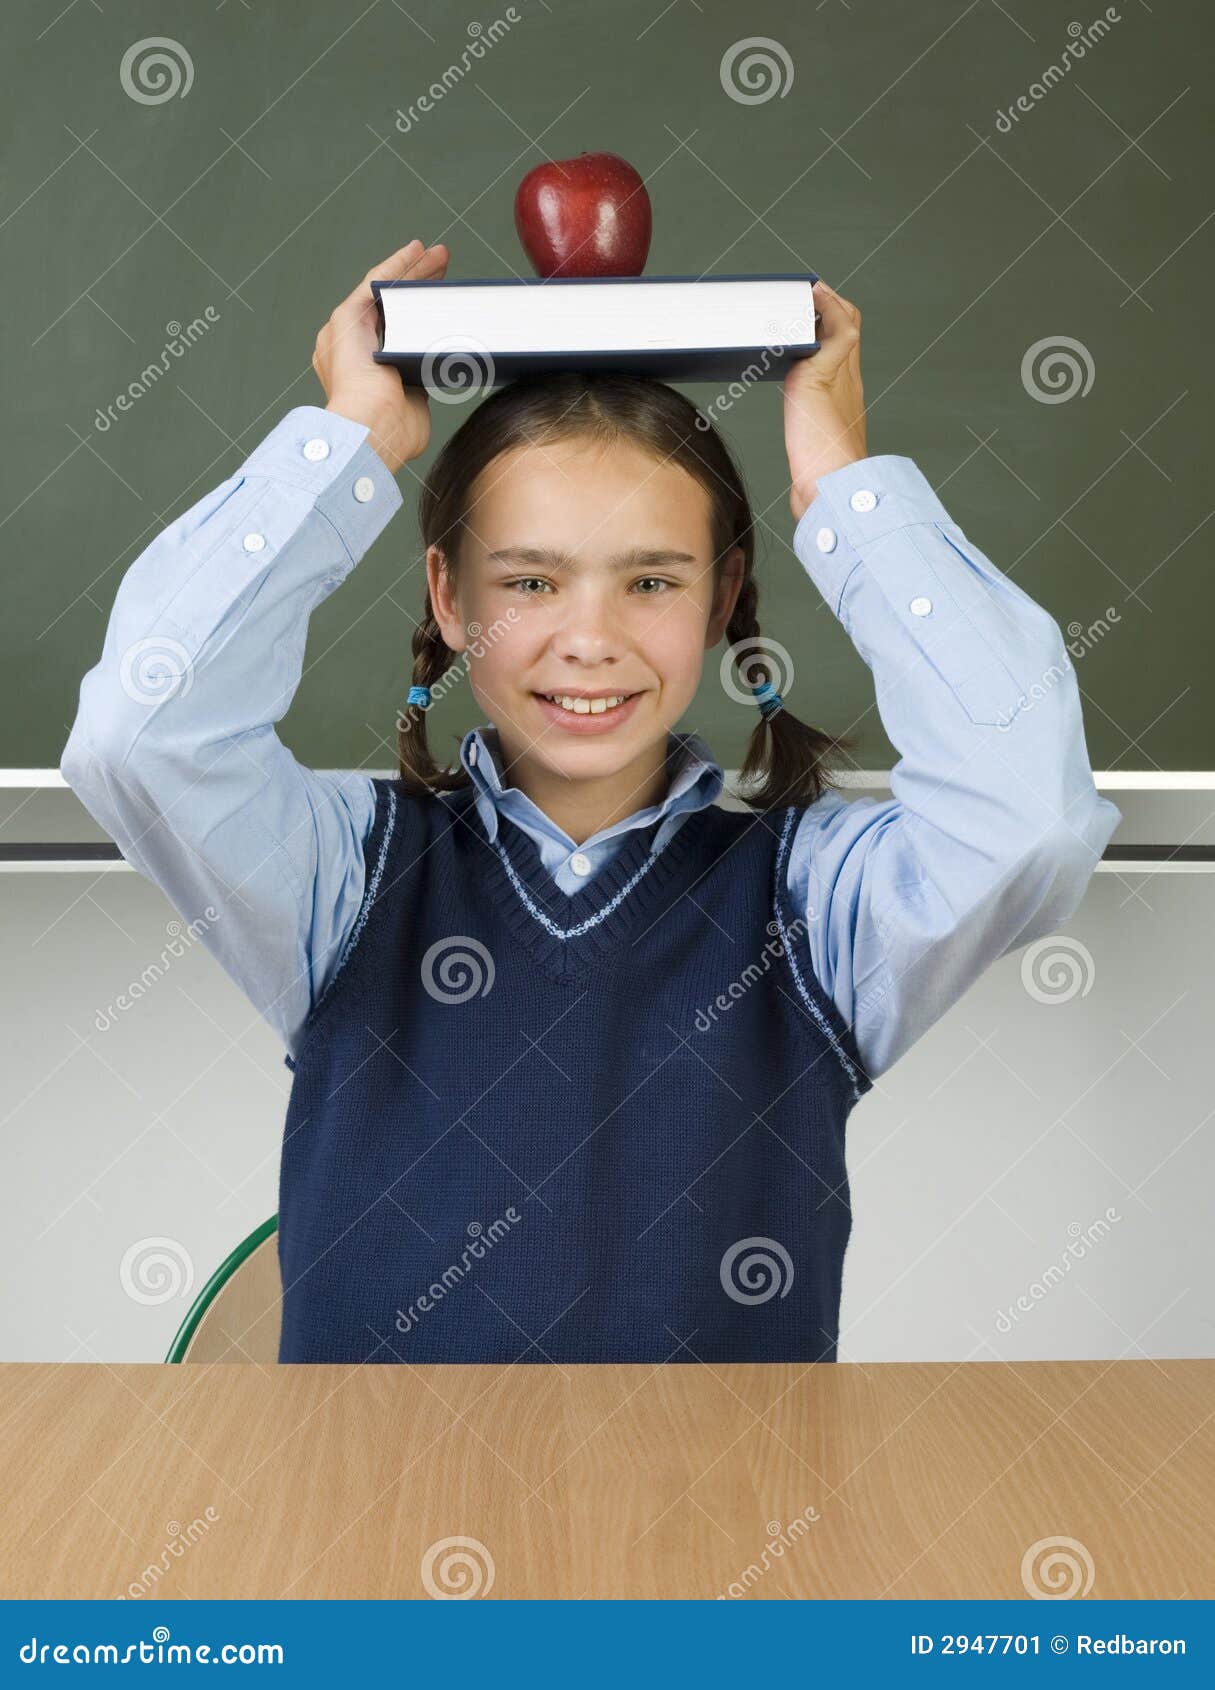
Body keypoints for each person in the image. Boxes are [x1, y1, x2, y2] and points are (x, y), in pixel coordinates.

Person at [61, 240, 1122, 1364]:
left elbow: (1028, 822)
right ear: (449, 597)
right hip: (372, 1523)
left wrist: (842, 489)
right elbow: (142, 733)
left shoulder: (816, 904)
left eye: (652, 581)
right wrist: (351, 442)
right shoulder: (340, 880)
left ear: (721, 600)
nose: (591, 639)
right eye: (527, 582)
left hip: (727, 1530)